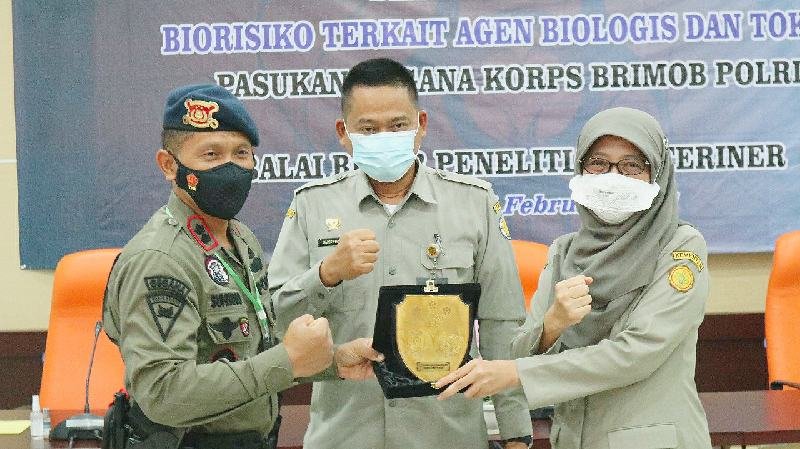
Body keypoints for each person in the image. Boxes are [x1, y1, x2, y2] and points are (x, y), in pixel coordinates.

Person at [268, 58, 533, 449]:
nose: (384, 137)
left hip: (447, 436)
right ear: (344, 133)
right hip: (345, 435)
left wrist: (516, 433)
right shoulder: (313, 205)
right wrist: (327, 273)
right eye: (368, 129)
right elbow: (277, 320)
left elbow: (502, 326)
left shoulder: (473, 203)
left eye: (397, 126)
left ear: (421, 125)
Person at [436, 107, 712, 449]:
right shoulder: (564, 252)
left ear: (657, 173)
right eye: (598, 163)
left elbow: (636, 353)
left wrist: (517, 373)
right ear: (580, 168)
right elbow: (519, 350)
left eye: (632, 165)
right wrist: (552, 324)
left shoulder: (680, 248)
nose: (613, 176)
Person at [102, 84, 338, 449]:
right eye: (211, 154)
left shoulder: (240, 238)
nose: (230, 167)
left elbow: (252, 355)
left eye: (241, 153)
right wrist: (289, 360)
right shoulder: (160, 258)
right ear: (169, 165)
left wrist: (334, 362)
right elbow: (163, 394)